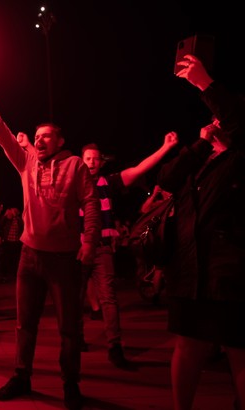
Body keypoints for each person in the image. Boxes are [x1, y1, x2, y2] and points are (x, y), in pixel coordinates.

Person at [0, 83, 101, 408]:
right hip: (29, 257)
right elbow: (1, 133)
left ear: (60, 141)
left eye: (46, 136)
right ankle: (21, 375)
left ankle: (71, 384)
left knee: (69, 328)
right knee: (24, 323)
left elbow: (92, 202)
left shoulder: (75, 166)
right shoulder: (27, 162)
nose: (39, 140)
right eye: (36, 135)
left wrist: (89, 242)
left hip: (63, 259)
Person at [158, 54, 245, 410]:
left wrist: (204, 84)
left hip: (229, 273)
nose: (216, 119)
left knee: (241, 351)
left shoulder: (243, 157)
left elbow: (242, 125)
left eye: (221, 116)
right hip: (189, 270)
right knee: (188, 346)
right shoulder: (205, 158)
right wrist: (200, 143)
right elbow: (167, 179)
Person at [78, 131, 178, 367]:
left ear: (101, 162)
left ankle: (115, 346)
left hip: (102, 249)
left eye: (95, 159)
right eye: (88, 159)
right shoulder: (72, 183)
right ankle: (76, 339)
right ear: (80, 162)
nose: (92, 163)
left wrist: (165, 148)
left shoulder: (109, 183)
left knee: (109, 300)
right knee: (74, 299)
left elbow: (139, 169)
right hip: (78, 249)